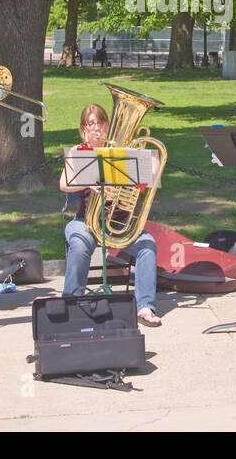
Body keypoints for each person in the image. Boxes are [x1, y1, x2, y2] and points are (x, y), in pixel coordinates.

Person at [59, 104, 162, 327]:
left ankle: (145, 306)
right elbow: (63, 183)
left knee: (147, 244)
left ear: (107, 126)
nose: (95, 128)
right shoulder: (81, 150)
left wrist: (150, 167)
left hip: (118, 222)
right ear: (83, 128)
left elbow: (153, 166)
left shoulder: (122, 150)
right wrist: (89, 182)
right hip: (85, 221)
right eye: (90, 123)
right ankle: (70, 303)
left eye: (99, 123)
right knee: (79, 245)